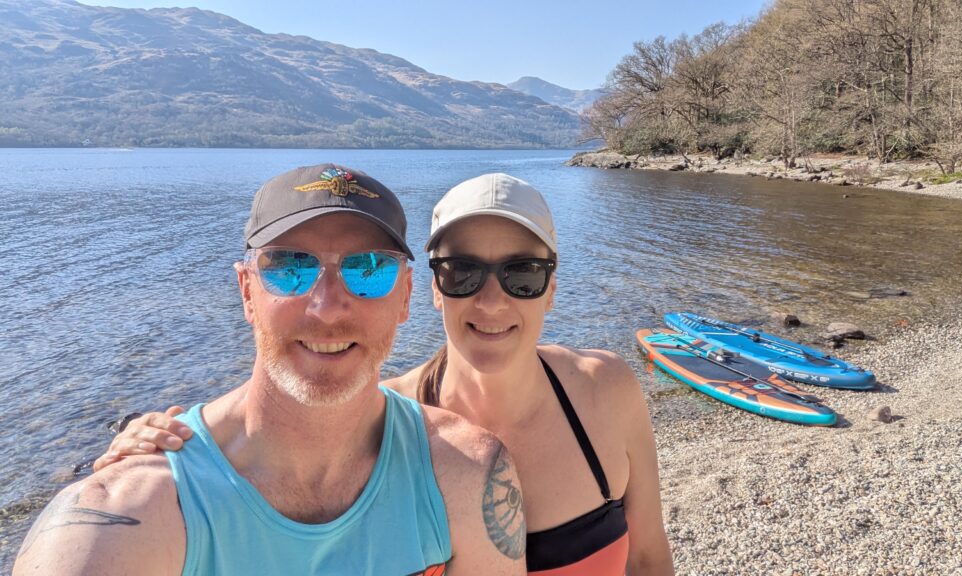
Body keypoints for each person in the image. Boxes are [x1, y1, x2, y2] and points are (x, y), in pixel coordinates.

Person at [95, 173, 675, 575]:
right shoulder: (383, 421)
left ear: (550, 290)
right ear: (426, 291)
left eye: (522, 274)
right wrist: (164, 445)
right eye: (463, 273)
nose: (493, 302)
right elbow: (276, 424)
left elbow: (649, 560)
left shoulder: (606, 389)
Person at [14, 165, 526, 575]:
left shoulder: (465, 473)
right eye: (289, 267)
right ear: (246, 292)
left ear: (406, 295)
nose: (327, 307)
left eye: (369, 269)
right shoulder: (123, 519)